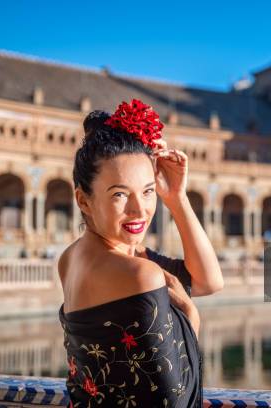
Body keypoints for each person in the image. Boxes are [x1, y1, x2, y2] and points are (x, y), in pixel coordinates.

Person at [58, 99, 223, 408]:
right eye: (120, 194)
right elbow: (176, 401)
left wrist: (175, 197)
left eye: (148, 191)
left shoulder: (70, 258)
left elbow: (208, 281)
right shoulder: (140, 274)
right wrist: (191, 318)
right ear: (83, 200)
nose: (139, 210)